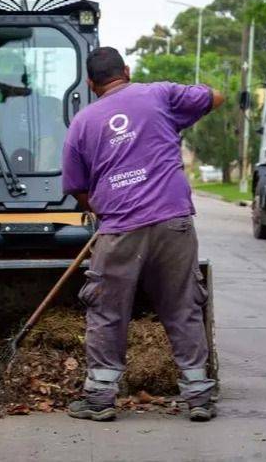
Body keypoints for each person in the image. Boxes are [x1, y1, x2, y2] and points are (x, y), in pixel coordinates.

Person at [61, 47, 224, 422]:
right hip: (174, 224)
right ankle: (198, 396)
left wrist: (105, 207)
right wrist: (189, 104)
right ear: (127, 71)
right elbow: (215, 96)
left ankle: (100, 399)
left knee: (107, 312)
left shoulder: (83, 123)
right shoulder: (160, 94)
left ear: (90, 84)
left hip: (119, 230)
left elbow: (75, 186)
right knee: (183, 305)